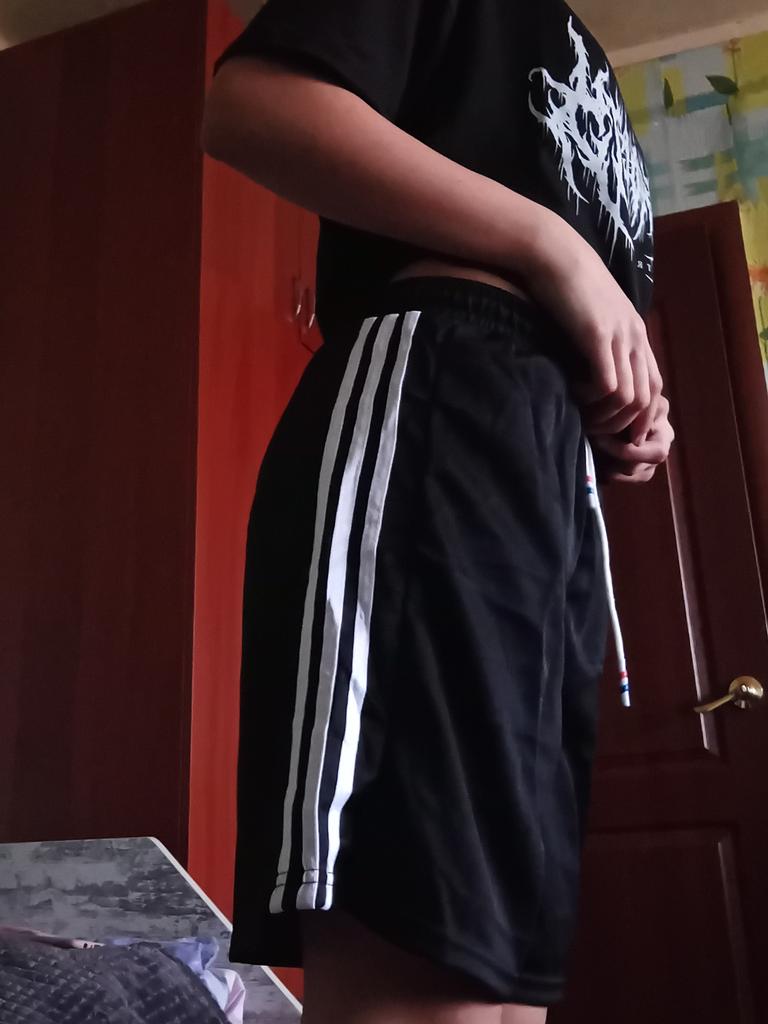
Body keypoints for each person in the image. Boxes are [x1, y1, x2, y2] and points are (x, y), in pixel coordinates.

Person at [202, 1, 675, 1021]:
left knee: (503, 977)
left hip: (549, 470)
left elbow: (596, 302)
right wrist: (552, 248)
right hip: (439, 399)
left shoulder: (588, 61)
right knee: (426, 949)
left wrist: (633, 402)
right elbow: (253, 106)